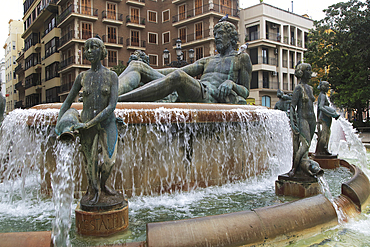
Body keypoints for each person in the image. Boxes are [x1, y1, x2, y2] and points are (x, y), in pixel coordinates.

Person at [117, 21, 252, 104]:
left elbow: (245, 92)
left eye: (220, 33)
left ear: (231, 37)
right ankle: (112, 93)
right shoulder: (209, 60)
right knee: (137, 65)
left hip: (209, 95)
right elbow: (183, 70)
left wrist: (232, 84)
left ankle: (120, 100)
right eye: (215, 34)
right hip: (198, 88)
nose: (216, 37)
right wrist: (147, 70)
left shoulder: (241, 58)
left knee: (179, 77)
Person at [56, 36, 119, 205]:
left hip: (106, 122)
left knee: (109, 161)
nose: (89, 51)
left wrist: (90, 123)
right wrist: (58, 123)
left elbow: (112, 106)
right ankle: (95, 190)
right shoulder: (82, 77)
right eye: (87, 48)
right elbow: (68, 102)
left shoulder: (112, 76)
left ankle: (103, 184)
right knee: (89, 161)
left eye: (94, 47)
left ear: (102, 51)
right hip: (85, 124)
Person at [289, 62, 316, 177]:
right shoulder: (298, 88)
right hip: (303, 119)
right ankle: (294, 170)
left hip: (312, 119)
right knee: (305, 144)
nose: (310, 72)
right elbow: (292, 107)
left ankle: (302, 166)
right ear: (302, 73)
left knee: (308, 146)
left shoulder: (310, 88)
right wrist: (293, 123)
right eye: (308, 70)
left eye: (310, 70)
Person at [315, 81, 340, 155]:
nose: (328, 88)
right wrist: (332, 114)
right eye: (327, 86)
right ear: (323, 87)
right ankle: (323, 149)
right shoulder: (322, 95)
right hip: (324, 117)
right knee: (325, 134)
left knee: (326, 133)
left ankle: (323, 149)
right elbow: (321, 107)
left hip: (324, 117)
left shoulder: (322, 95)